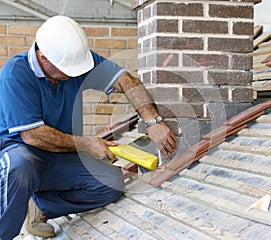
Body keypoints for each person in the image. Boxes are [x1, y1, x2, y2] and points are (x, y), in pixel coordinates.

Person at [0, 16, 177, 239]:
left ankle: (42, 206)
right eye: (68, 70)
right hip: (21, 153)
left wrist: (153, 121)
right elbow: (33, 136)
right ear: (43, 58)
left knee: (110, 184)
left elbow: (126, 80)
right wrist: (86, 144)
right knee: (19, 167)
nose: (74, 75)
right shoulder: (15, 74)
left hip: (59, 154)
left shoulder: (76, 62)